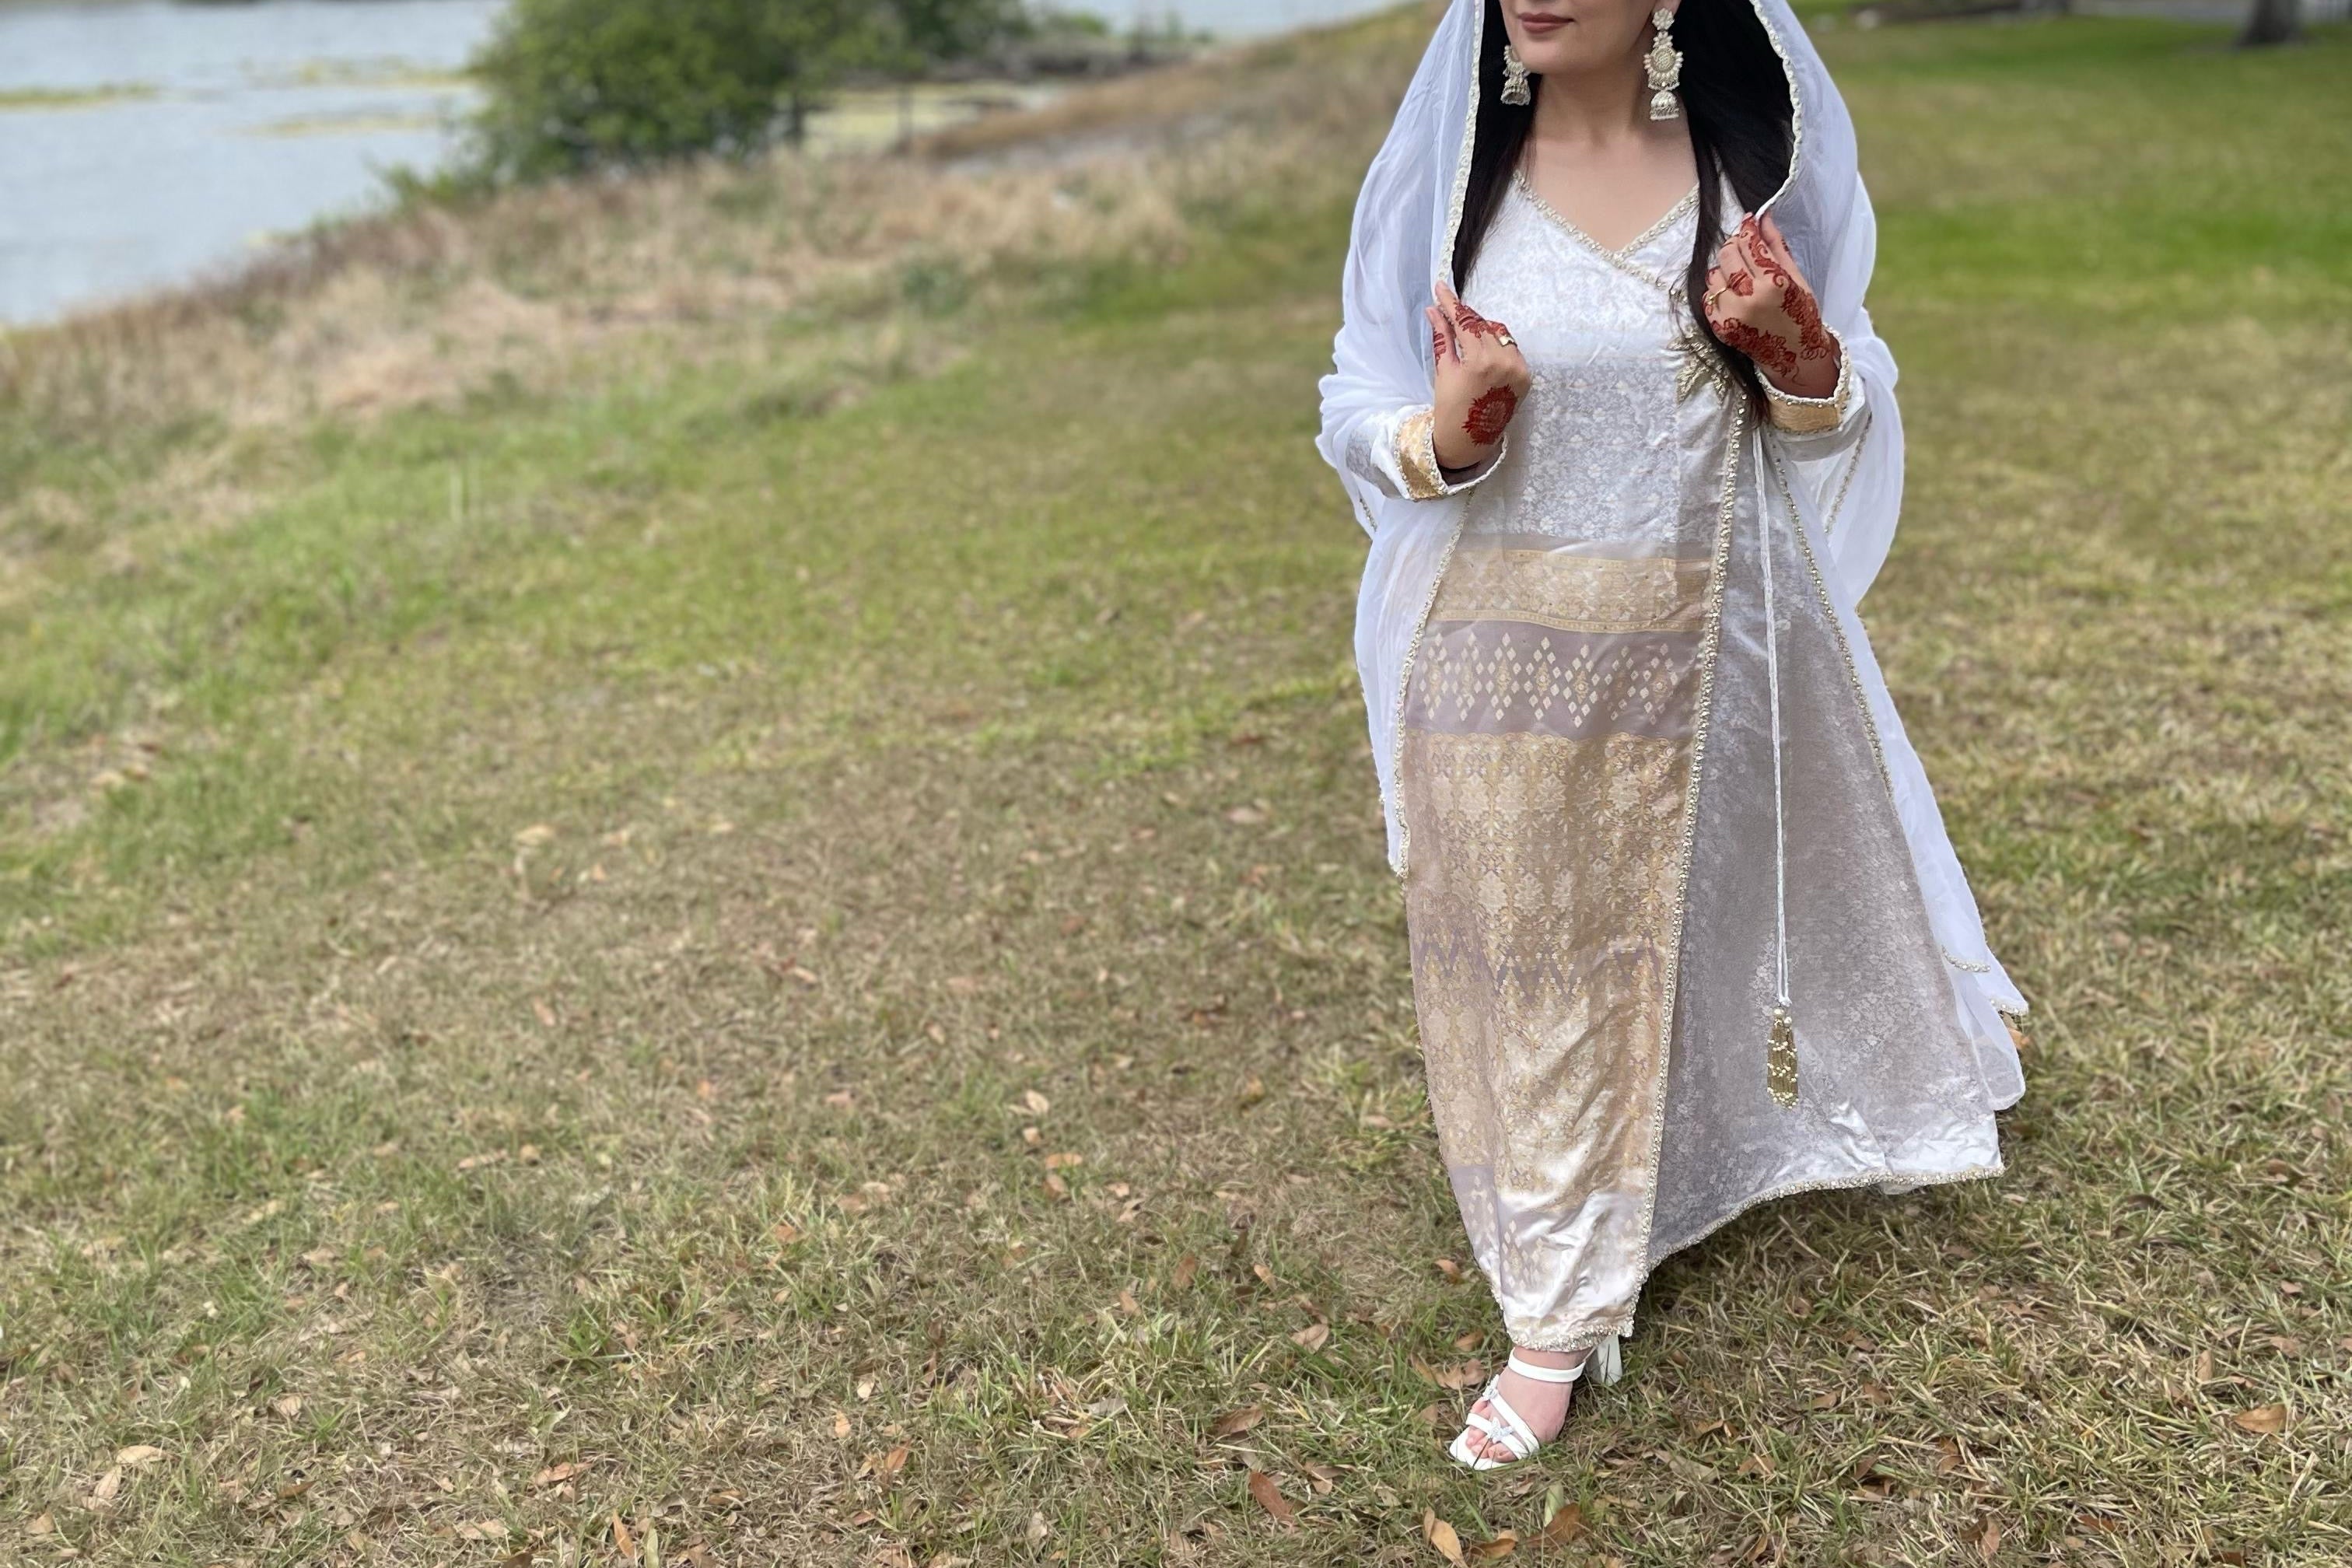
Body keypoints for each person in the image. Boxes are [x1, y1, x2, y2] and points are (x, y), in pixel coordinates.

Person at [1316, 0, 2028, 1469]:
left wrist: (1799, 349)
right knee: (1537, 975)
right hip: (1500, 668)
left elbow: (1831, 410)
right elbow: (1357, 399)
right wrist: (1445, 432)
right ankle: (1557, 1314)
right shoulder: (1455, 190)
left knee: (1682, 939)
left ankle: (1666, 1179)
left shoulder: (1741, 178)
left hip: (1702, 648)